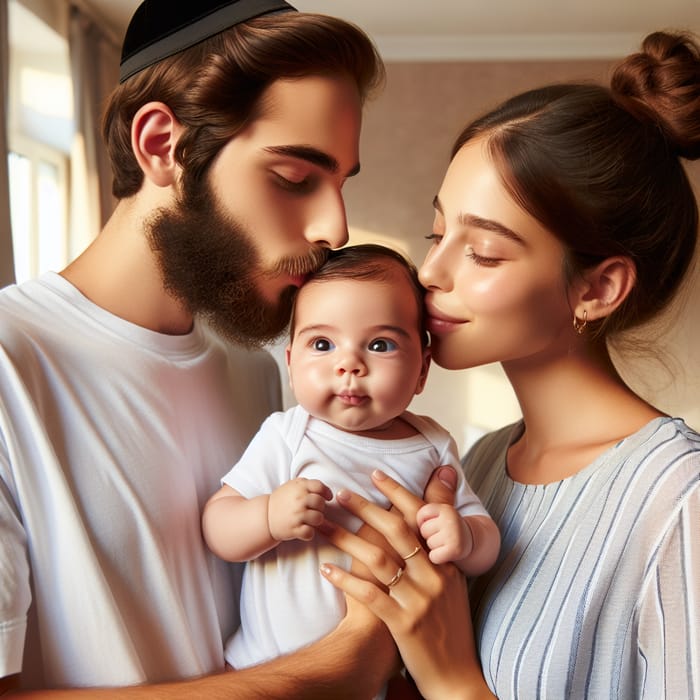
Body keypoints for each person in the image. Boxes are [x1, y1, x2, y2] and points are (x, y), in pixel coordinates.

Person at [0, 0, 406, 697]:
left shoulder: (259, 367)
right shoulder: (11, 363)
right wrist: (341, 665)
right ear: (161, 146)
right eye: (293, 178)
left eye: (340, 183)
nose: (334, 226)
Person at [318, 30, 700, 700]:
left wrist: (453, 679)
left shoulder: (679, 501)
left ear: (597, 288)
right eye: (438, 234)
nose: (430, 270)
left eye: (484, 252)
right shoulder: (483, 463)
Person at [202, 244, 500, 677]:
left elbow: (484, 537)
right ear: (290, 363)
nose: (349, 365)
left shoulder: (433, 445)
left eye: (380, 344)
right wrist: (267, 516)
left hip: (375, 674)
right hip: (260, 665)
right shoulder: (288, 434)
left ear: (422, 370)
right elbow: (218, 526)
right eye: (322, 344)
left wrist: (465, 537)